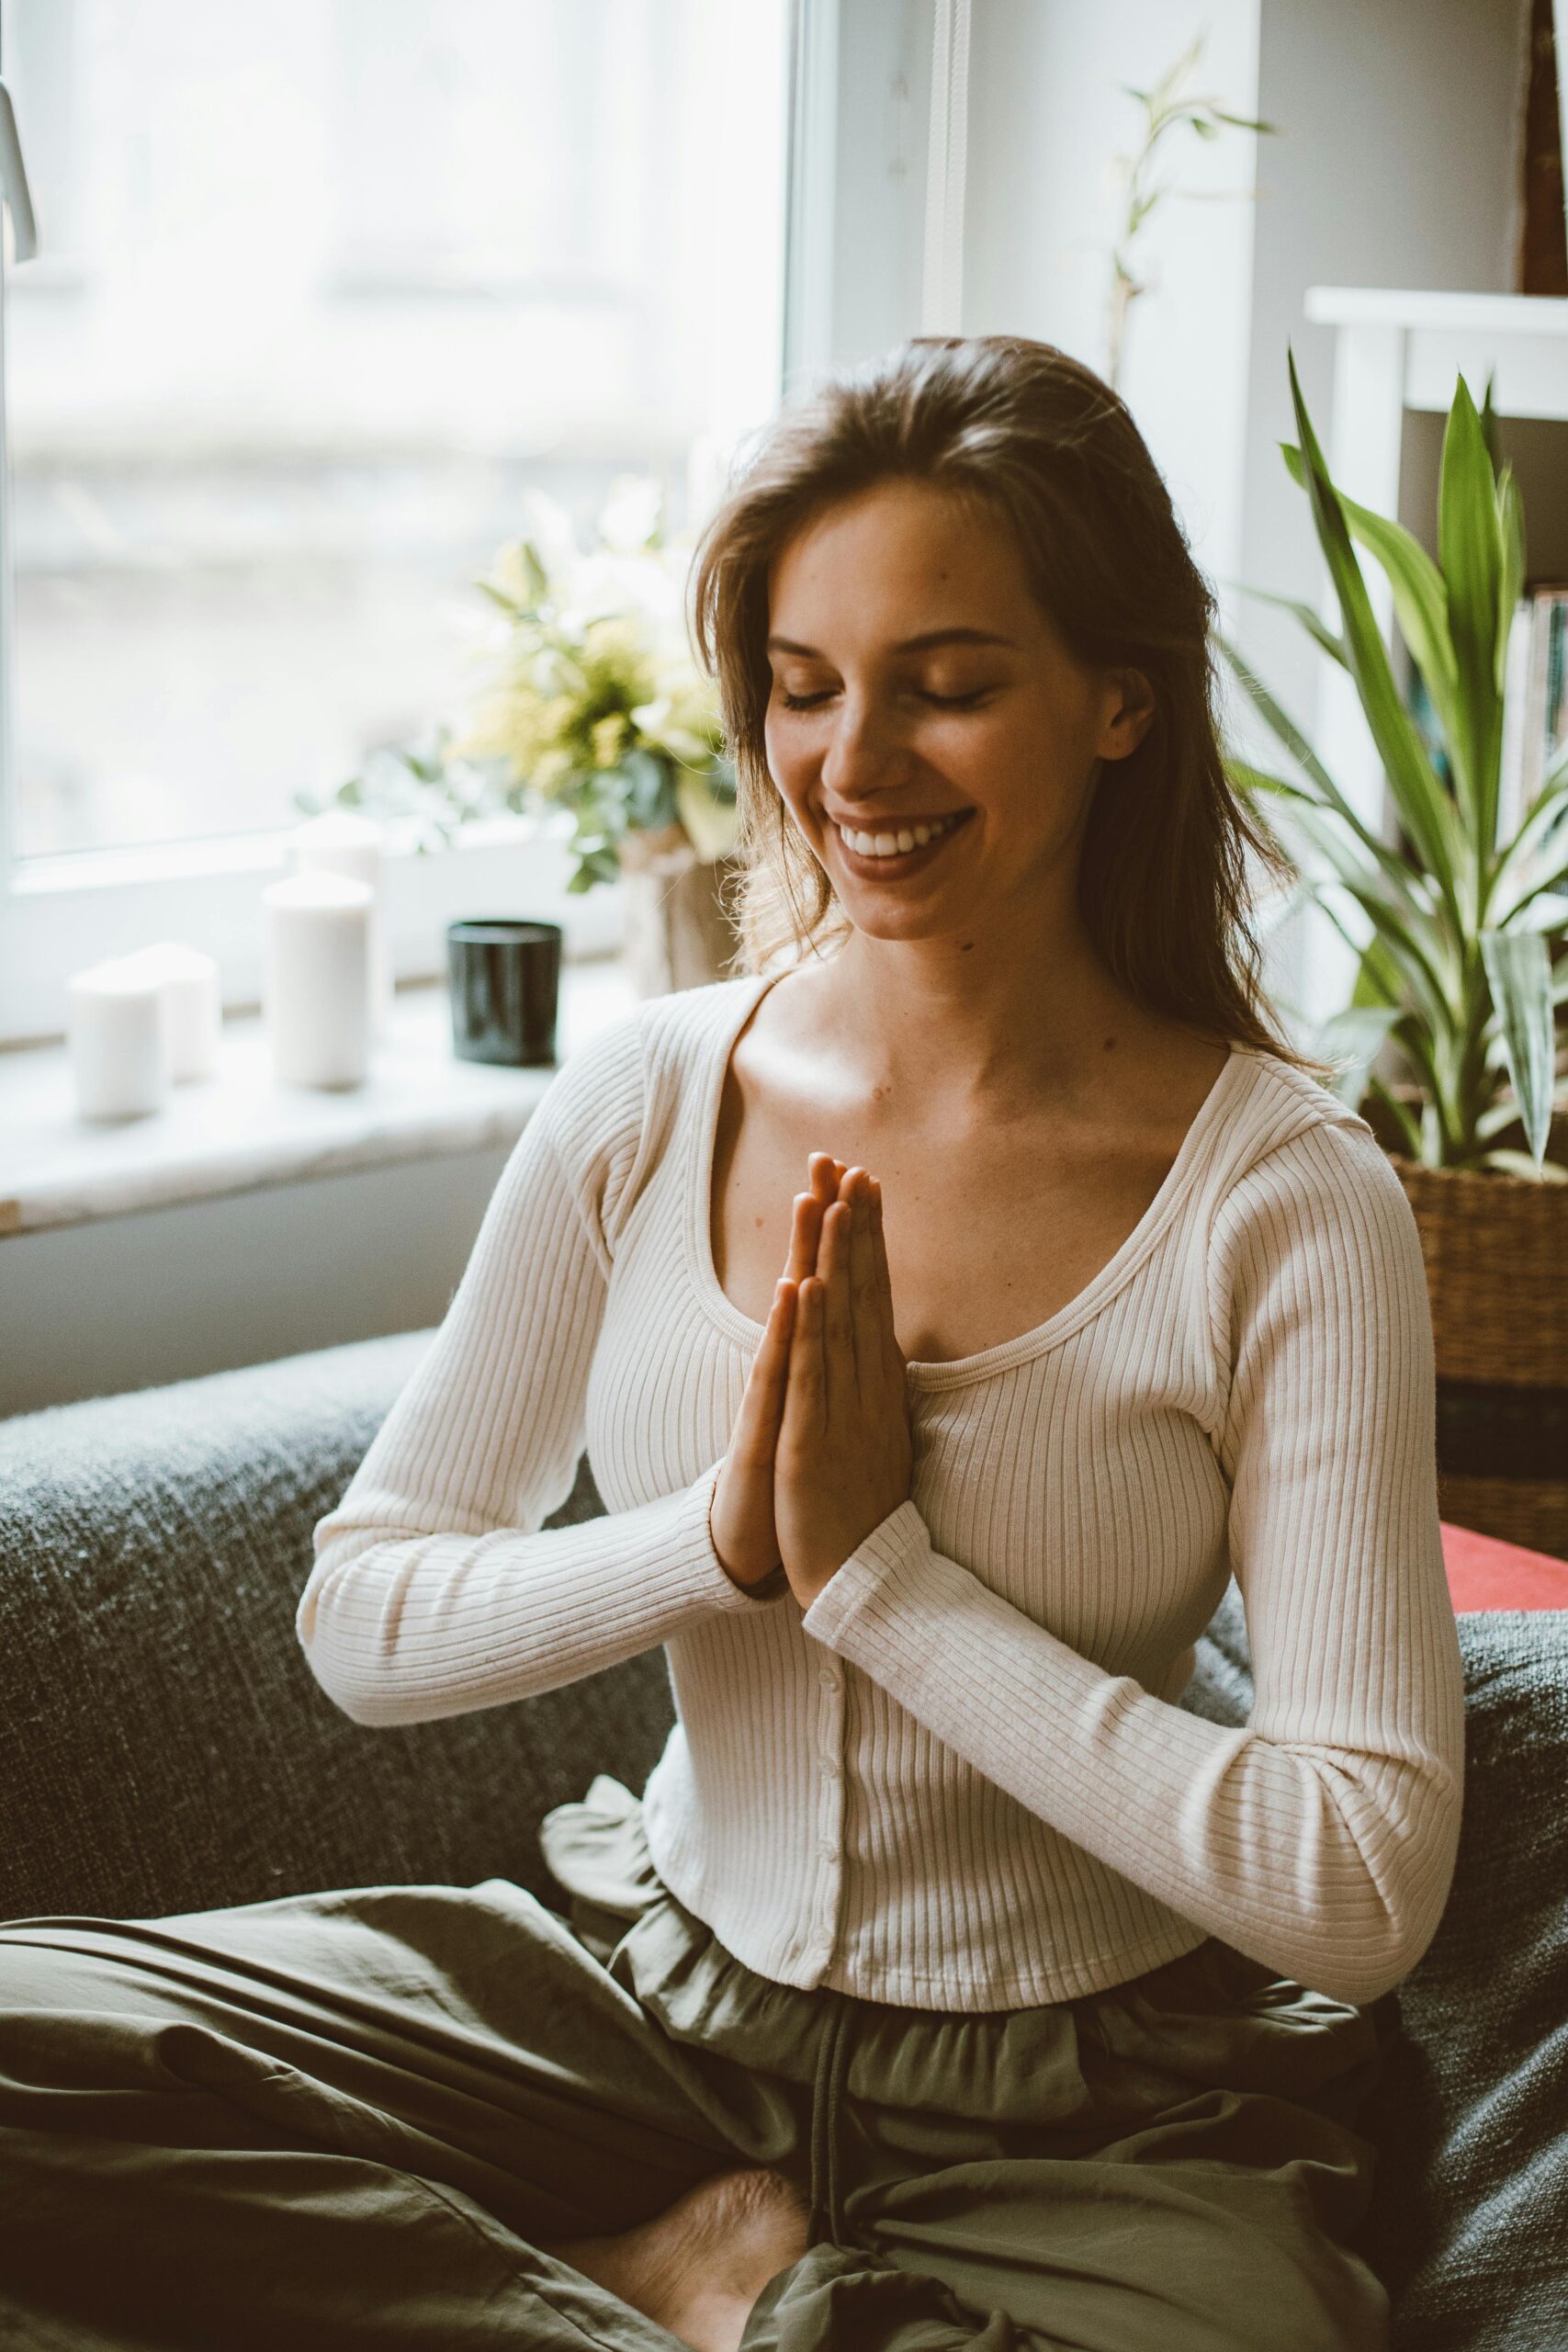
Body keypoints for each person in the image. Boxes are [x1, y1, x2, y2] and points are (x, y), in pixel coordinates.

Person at [0, 335, 1465, 2352]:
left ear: (1122, 696)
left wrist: (879, 1584)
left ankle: (745, 2303)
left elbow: (1358, 1878)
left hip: (1099, 2114)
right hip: (643, 1999)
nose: (850, 765)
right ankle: (674, 2291)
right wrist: (721, 1536)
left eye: (944, 685)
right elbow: (368, 1607)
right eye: (801, 685)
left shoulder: (1283, 1194)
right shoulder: (645, 1093)